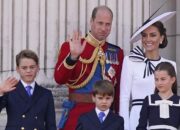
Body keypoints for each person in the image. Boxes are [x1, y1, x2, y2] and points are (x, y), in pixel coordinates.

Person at [54, 5, 124, 130]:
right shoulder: (71, 45)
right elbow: (59, 79)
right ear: (91, 22)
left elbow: (118, 91)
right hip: (78, 115)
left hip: (106, 119)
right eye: (100, 23)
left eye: (108, 24)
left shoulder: (116, 52)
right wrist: (73, 57)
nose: (103, 28)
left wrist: (118, 116)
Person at [119, 11, 177, 130]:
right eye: (144, 35)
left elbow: (174, 99)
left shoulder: (171, 65)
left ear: (161, 38)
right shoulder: (130, 61)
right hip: (136, 119)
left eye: (153, 35)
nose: (148, 39)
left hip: (163, 119)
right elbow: (124, 98)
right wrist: (124, 126)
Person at [0, 49, 56, 130]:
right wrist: (0, 92)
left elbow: (51, 125)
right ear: (17, 69)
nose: (28, 71)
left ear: (37, 68)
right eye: (24, 68)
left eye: (32, 67)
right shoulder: (10, 90)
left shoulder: (46, 94)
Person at [137, 62, 180, 130]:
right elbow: (141, 127)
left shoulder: (178, 102)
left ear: (173, 79)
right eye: (156, 79)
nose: (159, 83)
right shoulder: (149, 100)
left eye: (163, 79)